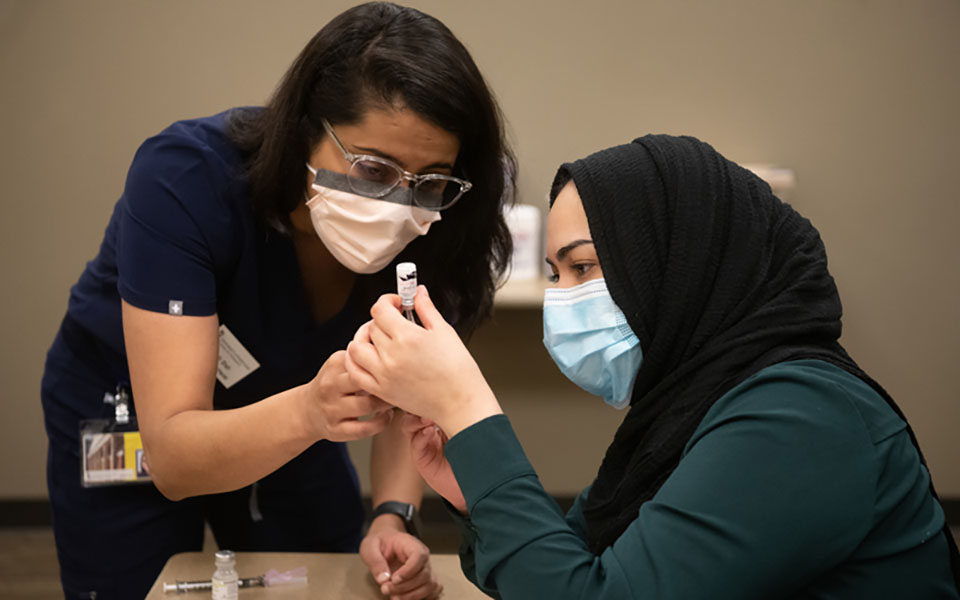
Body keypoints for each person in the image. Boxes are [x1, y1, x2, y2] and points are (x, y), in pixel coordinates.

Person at [345, 134, 960, 598]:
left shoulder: (800, 415)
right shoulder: (691, 404)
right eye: (554, 275)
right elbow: (568, 565)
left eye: (583, 268)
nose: (562, 299)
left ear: (681, 262)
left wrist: (468, 407)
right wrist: (473, 492)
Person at [39, 3, 513, 598]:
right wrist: (310, 412)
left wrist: (394, 514)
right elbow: (175, 459)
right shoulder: (185, 179)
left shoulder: (441, 215)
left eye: (428, 179)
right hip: (130, 416)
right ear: (304, 133)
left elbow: (406, 387)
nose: (399, 204)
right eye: (372, 170)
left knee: (324, 581)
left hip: (298, 407)